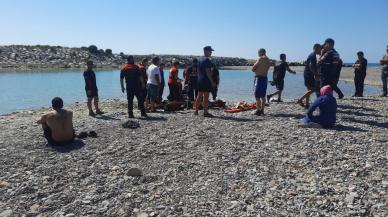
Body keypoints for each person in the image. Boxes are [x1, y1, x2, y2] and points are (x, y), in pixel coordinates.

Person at [194, 46, 217, 117]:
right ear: (206, 51)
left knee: (199, 95)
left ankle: (196, 111)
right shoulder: (207, 60)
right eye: (210, 51)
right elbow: (208, 72)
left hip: (199, 79)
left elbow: (199, 70)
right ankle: (205, 112)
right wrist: (212, 81)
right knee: (206, 96)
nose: (211, 53)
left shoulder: (199, 59)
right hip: (205, 80)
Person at [297, 44, 321, 108]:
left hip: (307, 74)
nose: (321, 50)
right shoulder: (313, 55)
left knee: (309, 90)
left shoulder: (312, 55)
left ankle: (307, 104)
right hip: (309, 75)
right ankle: (300, 99)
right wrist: (316, 74)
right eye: (320, 48)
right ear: (316, 48)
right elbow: (311, 65)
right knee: (314, 89)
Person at [252, 48, 272, 116]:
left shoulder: (261, 58)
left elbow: (253, 68)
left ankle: (258, 110)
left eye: (258, 52)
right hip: (265, 78)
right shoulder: (268, 59)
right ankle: (262, 110)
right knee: (263, 96)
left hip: (259, 78)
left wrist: (255, 69)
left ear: (261, 52)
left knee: (257, 96)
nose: (258, 54)